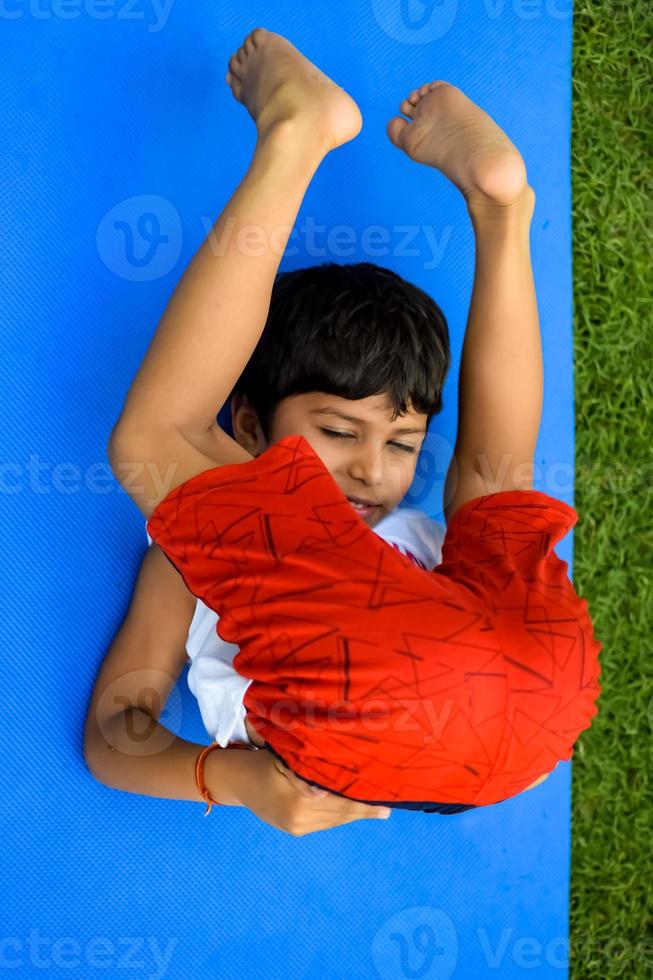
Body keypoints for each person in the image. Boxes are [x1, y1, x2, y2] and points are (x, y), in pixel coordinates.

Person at [99, 28, 602, 831]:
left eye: (402, 445)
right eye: (338, 433)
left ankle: (296, 136)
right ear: (251, 424)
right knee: (498, 483)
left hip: (480, 726)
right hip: (537, 698)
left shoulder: (231, 558)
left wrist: (230, 781)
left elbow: (113, 736)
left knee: (154, 435)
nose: (373, 471)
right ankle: (502, 211)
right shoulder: (423, 544)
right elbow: (491, 466)